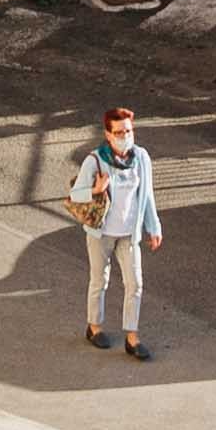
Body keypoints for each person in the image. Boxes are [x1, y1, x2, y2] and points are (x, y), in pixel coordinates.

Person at [69, 98, 165, 349]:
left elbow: (147, 195)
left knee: (135, 283)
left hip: (129, 234)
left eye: (128, 131)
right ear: (108, 135)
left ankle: (132, 337)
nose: (125, 136)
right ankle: (94, 327)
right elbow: (74, 197)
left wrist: (153, 227)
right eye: (119, 132)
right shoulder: (95, 161)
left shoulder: (141, 158)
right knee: (99, 280)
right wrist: (96, 189)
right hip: (101, 234)